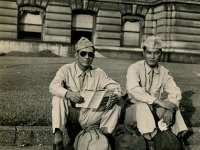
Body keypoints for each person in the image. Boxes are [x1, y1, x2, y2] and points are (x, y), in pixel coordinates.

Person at [49, 37, 122, 150]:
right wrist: (68, 93)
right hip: (71, 115)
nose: (87, 57)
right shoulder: (66, 69)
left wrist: (115, 95)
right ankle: (58, 139)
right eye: (83, 53)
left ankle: (104, 136)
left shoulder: (98, 72)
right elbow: (53, 86)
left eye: (90, 54)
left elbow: (115, 86)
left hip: (89, 115)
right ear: (76, 55)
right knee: (58, 98)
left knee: (116, 104)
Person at [125, 36, 188, 149]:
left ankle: (177, 138)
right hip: (133, 111)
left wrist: (169, 108)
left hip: (153, 110)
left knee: (173, 105)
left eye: (156, 53)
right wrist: (159, 101)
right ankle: (150, 142)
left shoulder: (164, 72)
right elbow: (134, 90)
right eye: (149, 52)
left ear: (161, 53)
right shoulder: (134, 68)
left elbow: (175, 91)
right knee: (143, 105)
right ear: (143, 52)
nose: (152, 56)